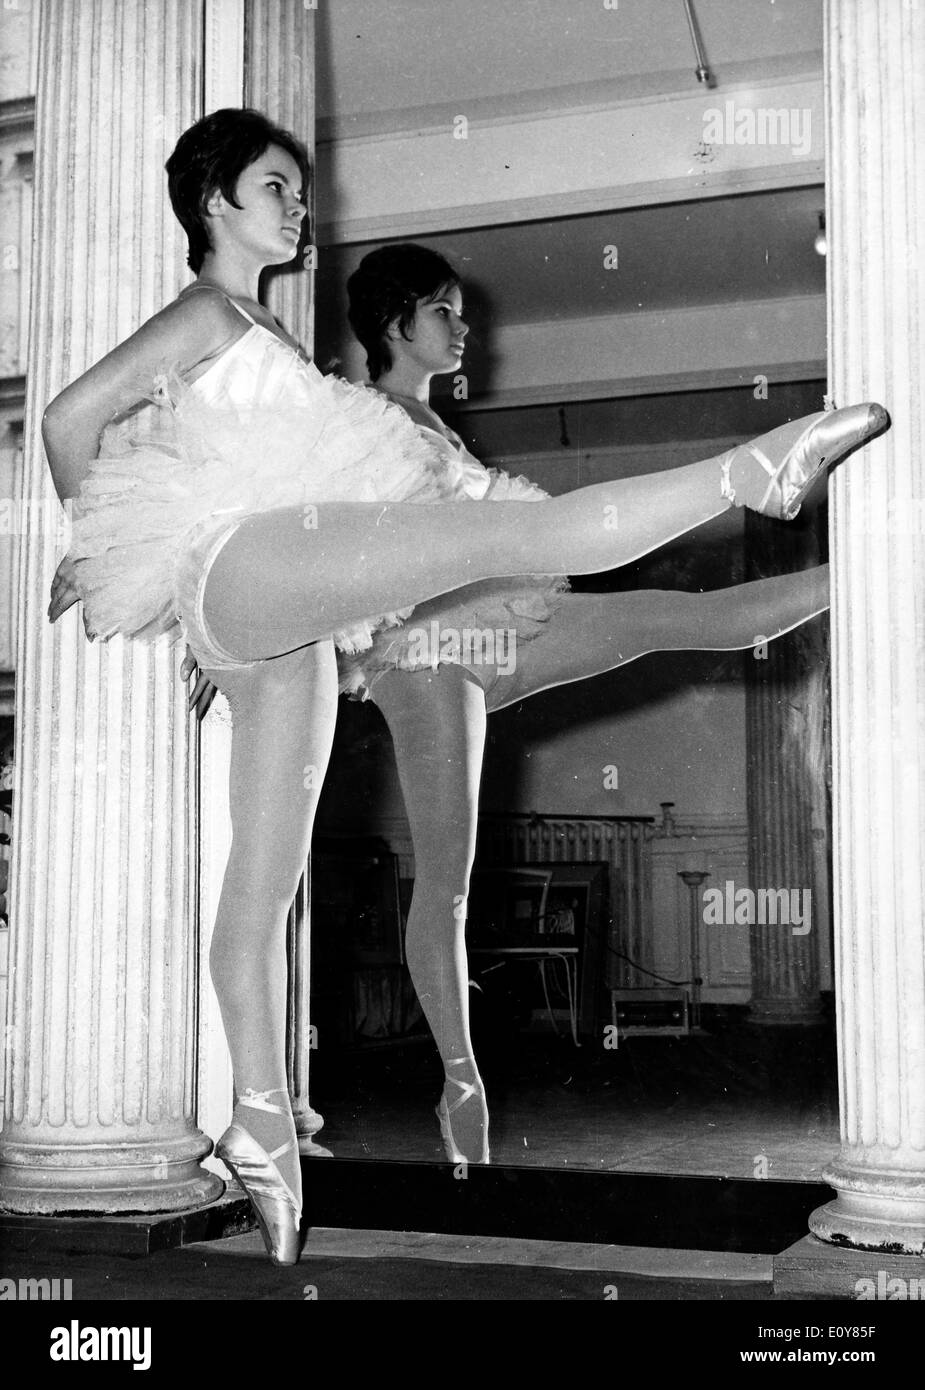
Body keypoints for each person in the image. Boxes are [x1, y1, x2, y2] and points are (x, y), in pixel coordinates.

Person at [42, 107, 887, 1263]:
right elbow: (69, 416)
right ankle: (745, 470)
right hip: (235, 556)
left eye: (298, 191)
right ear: (215, 207)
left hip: (283, 615)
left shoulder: (273, 338)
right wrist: (101, 557)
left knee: (263, 885)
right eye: (278, 188)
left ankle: (256, 1121)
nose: (301, 209)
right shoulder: (204, 311)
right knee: (509, 547)